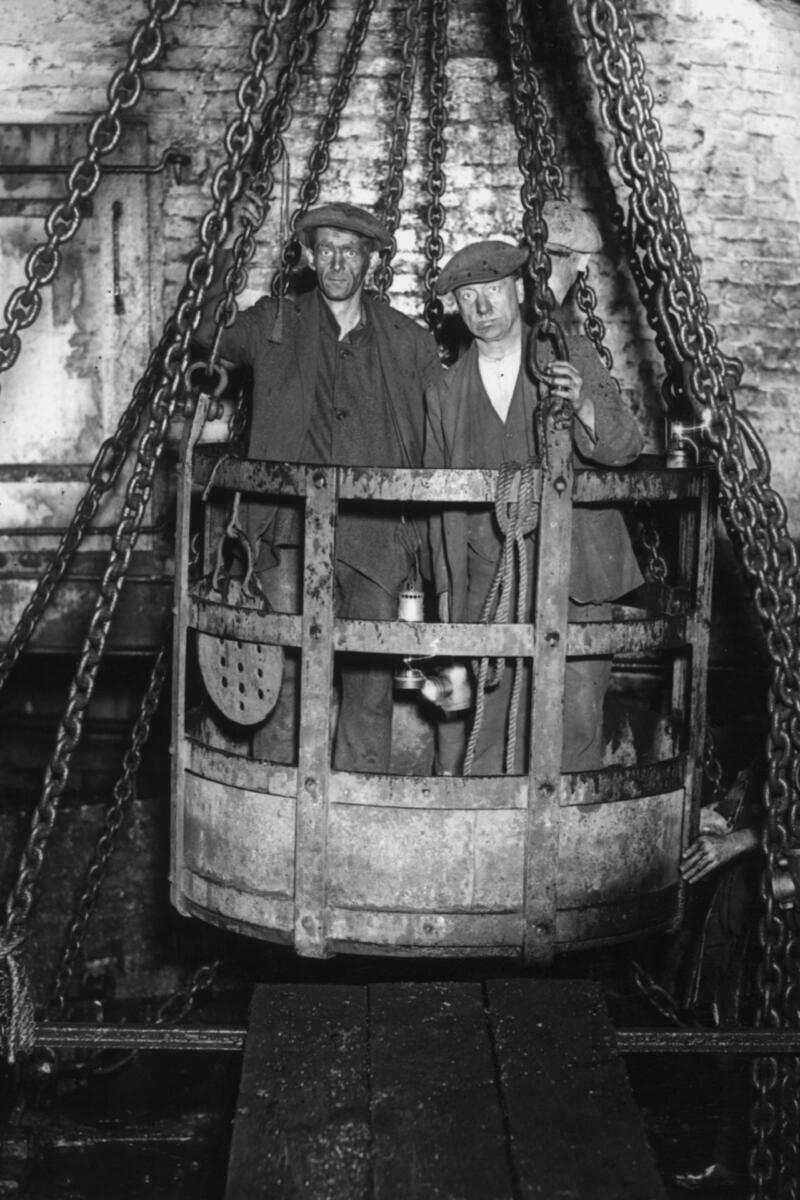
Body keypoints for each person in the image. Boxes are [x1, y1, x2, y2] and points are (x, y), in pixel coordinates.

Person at [196, 198, 443, 772]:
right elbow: (208, 334)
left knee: (368, 690)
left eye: (350, 251)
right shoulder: (275, 322)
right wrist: (234, 238)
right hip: (284, 535)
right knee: (279, 681)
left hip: (374, 540)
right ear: (310, 255)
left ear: (370, 262)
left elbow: (444, 427)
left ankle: (358, 816)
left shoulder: (408, 341)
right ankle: (278, 814)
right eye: (326, 249)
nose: (336, 262)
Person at [424, 201, 644, 774]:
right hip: (491, 586)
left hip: (577, 576)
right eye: (468, 297)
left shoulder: (567, 356)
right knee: (491, 735)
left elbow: (624, 444)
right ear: (457, 308)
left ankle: (566, 860)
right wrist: (448, 597)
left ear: (517, 291)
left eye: (492, 290)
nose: (482, 306)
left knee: (573, 730)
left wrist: (585, 406)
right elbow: (435, 504)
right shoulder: (445, 392)